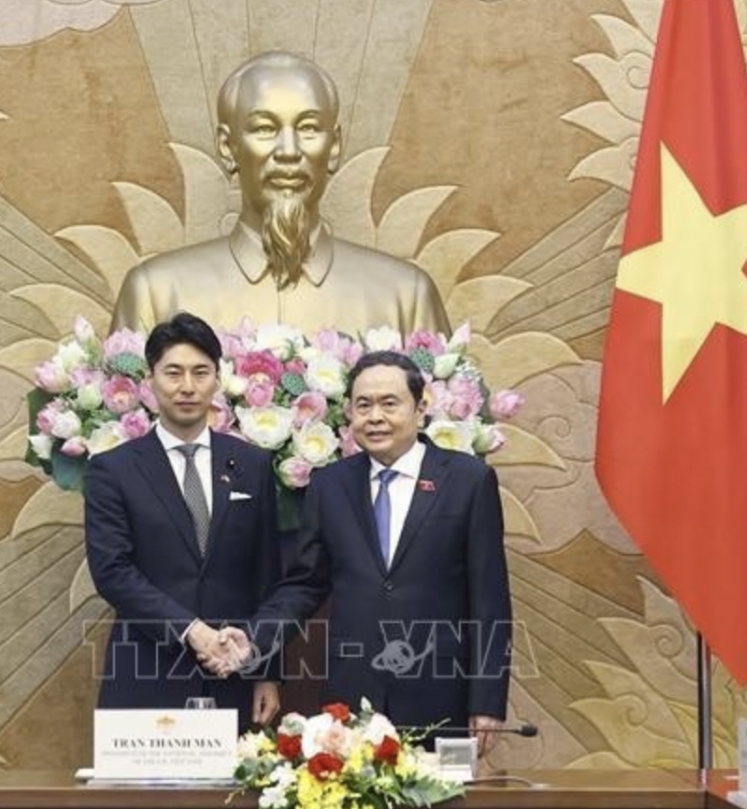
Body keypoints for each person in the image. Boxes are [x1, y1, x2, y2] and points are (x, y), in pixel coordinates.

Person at [224, 351, 512, 752]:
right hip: (352, 698)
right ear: (350, 416)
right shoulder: (330, 485)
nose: (375, 416)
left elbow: (490, 599)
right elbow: (304, 584)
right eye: (363, 405)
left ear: (421, 407)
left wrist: (488, 701)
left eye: (389, 403)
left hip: (444, 696)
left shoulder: (468, 480)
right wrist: (255, 639)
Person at [110, 51, 450, 337]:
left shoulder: (406, 298)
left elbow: (446, 416)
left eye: (308, 128)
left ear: (334, 147)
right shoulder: (155, 293)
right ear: (228, 147)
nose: (288, 151)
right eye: (264, 128)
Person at [83, 312, 281, 729]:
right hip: (147, 672)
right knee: (146, 798)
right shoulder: (112, 470)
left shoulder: (252, 464)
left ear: (218, 380)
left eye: (200, 372)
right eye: (173, 373)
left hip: (235, 674)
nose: (187, 387)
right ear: (150, 381)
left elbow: (267, 575)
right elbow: (112, 572)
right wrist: (192, 630)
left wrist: (265, 669)